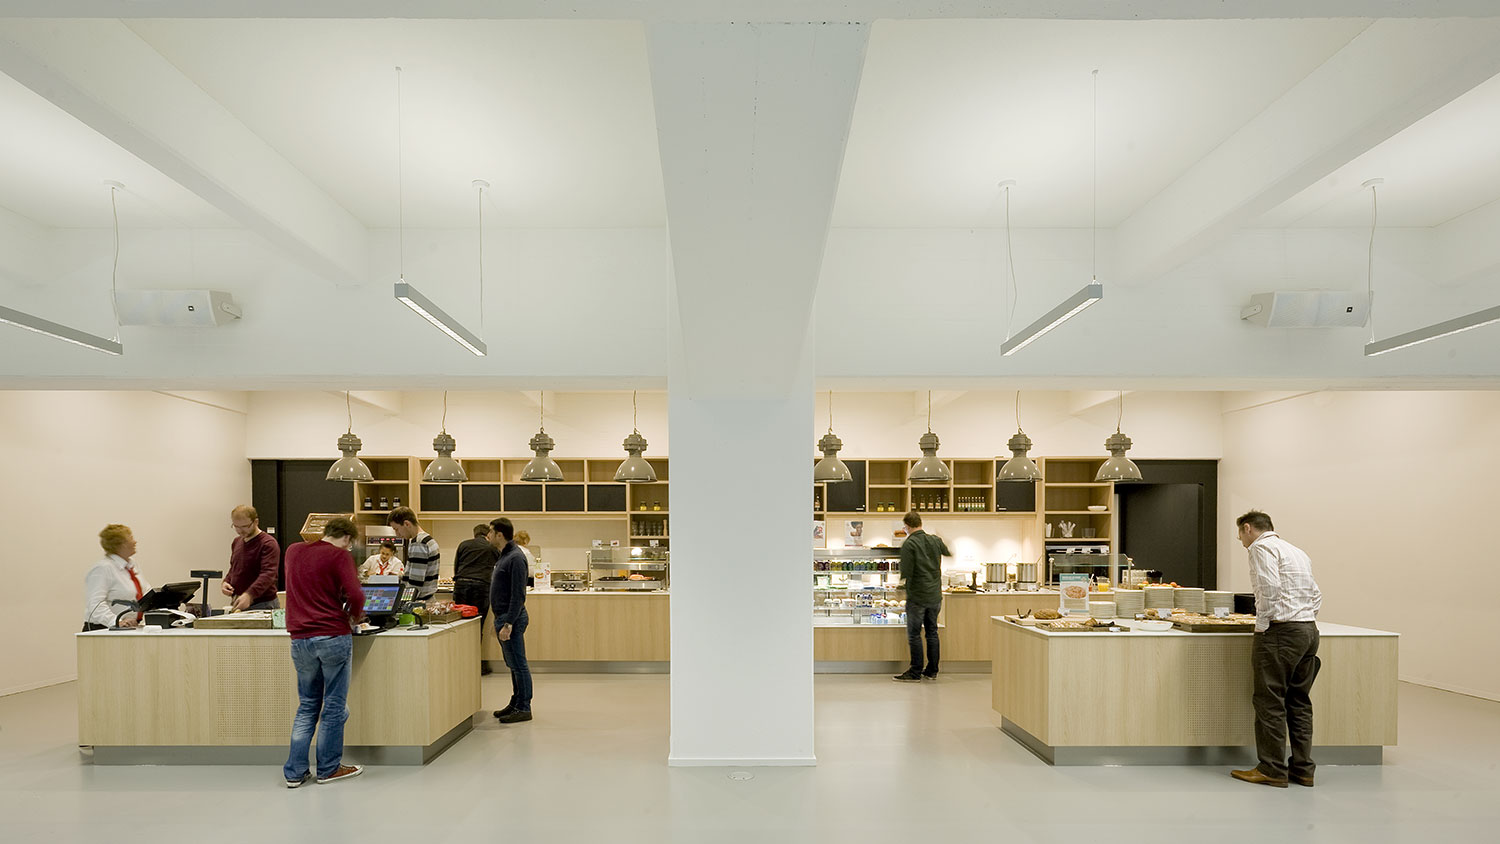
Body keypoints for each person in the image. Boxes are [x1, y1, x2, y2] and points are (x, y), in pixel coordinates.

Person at [1231, 510, 1323, 789]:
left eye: (1240, 536)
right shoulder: (1296, 551)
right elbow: (1315, 593)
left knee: (1270, 701)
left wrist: (1262, 624)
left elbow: (1268, 587)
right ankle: (1303, 769)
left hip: (1280, 632)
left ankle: (1271, 768)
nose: (1242, 541)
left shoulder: (1261, 547)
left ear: (1248, 528)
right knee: (1299, 701)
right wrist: (1304, 616)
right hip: (1308, 630)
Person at [282, 515, 366, 788]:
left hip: (300, 638)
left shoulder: (293, 551)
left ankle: (295, 772)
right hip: (332, 635)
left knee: (307, 705)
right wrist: (356, 617)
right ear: (346, 538)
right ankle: (328, 768)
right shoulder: (339, 556)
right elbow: (356, 594)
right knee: (333, 706)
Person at [894, 510, 951, 683]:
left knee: (914, 634)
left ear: (907, 526)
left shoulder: (909, 544)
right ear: (920, 523)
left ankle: (915, 671)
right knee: (932, 632)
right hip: (934, 595)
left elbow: (907, 571)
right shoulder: (935, 540)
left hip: (918, 596)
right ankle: (932, 670)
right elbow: (947, 552)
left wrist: (901, 585)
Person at [488, 517, 532, 723]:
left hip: (510, 618)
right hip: (503, 617)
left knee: (519, 664)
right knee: (513, 664)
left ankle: (524, 707)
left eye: (490, 532)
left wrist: (508, 624)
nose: (488, 536)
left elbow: (518, 595)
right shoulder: (504, 555)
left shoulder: (515, 557)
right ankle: (515, 702)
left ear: (499, 534)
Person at [83, 524, 150, 631]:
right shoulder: (103, 568)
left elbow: (146, 594)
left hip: (128, 628)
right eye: (131, 538)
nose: (135, 542)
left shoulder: (132, 566)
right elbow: (95, 604)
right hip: (103, 629)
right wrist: (115, 621)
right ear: (121, 544)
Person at [453, 523, 500, 675]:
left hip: (461, 586)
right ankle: (476, 665)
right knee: (477, 625)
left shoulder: (464, 545)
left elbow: (456, 566)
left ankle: (459, 663)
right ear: (488, 535)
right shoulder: (491, 548)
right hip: (481, 587)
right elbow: (498, 569)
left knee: (460, 624)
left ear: (474, 534)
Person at [224, 505, 281, 611]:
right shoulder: (237, 542)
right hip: (240, 602)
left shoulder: (268, 543)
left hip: (263, 604)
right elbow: (234, 568)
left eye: (245, 526)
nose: (240, 531)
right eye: (236, 526)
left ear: (255, 522)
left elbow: (268, 575)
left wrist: (249, 595)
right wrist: (226, 582)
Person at [389, 506, 440, 600]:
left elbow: (415, 584)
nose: (397, 534)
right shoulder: (428, 540)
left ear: (407, 524)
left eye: (396, 529)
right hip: (428, 599)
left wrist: (403, 603)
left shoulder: (418, 543)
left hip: (419, 603)